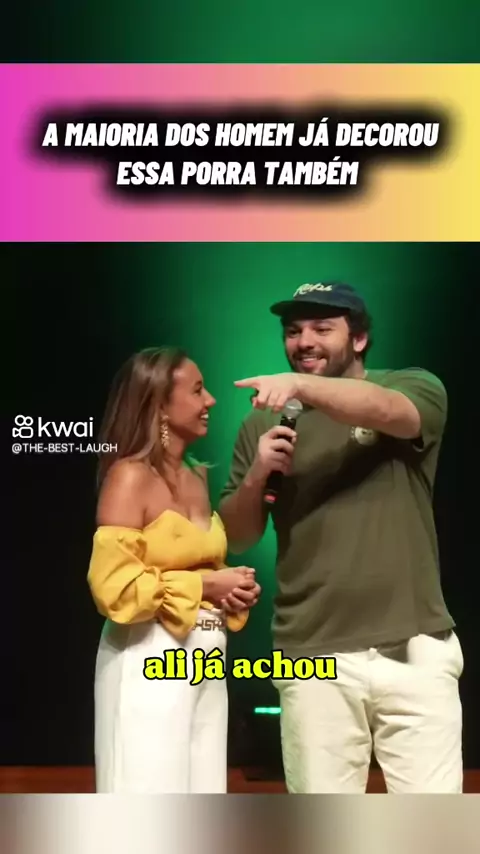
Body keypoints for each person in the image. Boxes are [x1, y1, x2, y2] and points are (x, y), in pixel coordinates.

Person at [219, 281, 463, 794]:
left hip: (413, 647)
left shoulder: (411, 385)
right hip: (312, 655)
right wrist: (257, 474)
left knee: (435, 827)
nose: (304, 341)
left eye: (321, 328)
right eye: (293, 331)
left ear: (360, 339)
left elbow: (388, 412)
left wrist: (300, 387)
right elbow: (237, 537)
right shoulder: (261, 423)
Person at [87, 346, 261, 793]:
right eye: (198, 390)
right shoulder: (130, 476)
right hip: (148, 654)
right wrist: (206, 583)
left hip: (207, 658)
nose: (211, 401)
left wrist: (232, 588)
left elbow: (193, 566)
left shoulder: (197, 476)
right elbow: (114, 587)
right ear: (161, 406)